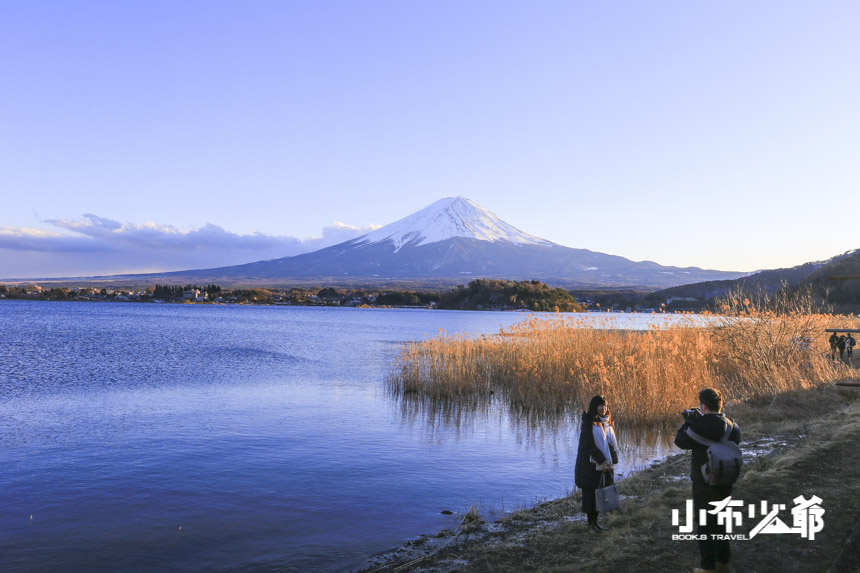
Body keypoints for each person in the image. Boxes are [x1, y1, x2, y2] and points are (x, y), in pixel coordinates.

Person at [674, 388, 741, 573]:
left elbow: (680, 441)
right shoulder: (731, 426)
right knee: (721, 523)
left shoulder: (697, 426)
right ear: (720, 405)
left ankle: (708, 568)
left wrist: (687, 422)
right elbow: (737, 439)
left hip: (703, 484)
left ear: (703, 406)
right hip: (725, 481)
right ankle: (724, 564)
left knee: (704, 526)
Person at [574, 395, 619, 533]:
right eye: (600, 405)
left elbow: (610, 444)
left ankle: (595, 523)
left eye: (605, 405)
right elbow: (589, 445)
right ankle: (591, 524)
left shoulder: (605, 422)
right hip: (589, 465)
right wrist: (602, 461)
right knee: (591, 495)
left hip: (601, 464)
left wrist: (612, 461)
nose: (603, 408)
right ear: (595, 407)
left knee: (599, 494)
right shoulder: (588, 423)